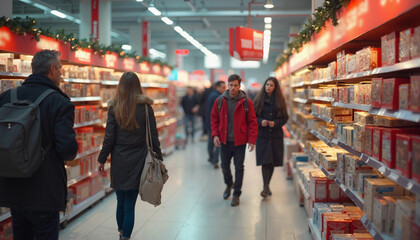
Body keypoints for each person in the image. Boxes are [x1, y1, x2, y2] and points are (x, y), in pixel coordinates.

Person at [0, 50, 78, 239]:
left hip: (12, 185)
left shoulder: (7, 97)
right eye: (60, 68)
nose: (61, 73)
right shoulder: (59, 102)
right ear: (52, 69)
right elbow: (67, 149)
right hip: (44, 188)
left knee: (20, 233)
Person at [97, 72, 163, 240]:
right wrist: (159, 157)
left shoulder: (114, 107)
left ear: (121, 86)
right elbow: (153, 135)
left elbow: (109, 137)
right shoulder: (146, 108)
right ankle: (125, 236)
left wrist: (102, 159)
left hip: (119, 158)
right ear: (137, 86)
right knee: (130, 206)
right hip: (139, 159)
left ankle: (120, 231)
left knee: (120, 201)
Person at [210, 74, 258, 207]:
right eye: (230, 85)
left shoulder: (246, 102)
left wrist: (252, 140)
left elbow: (253, 122)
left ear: (239, 85)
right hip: (224, 141)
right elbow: (214, 119)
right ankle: (229, 184)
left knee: (239, 167)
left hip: (240, 141)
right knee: (224, 165)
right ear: (227, 85)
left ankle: (236, 194)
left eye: (235, 85)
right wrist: (215, 135)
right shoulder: (220, 101)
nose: (233, 88)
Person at [253, 77, 289, 198]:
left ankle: (267, 185)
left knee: (272, 161)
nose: (268, 87)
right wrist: (260, 121)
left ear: (275, 88)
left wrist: (276, 123)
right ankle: (265, 186)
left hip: (275, 136)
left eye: (271, 85)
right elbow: (253, 117)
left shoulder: (280, 101)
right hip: (262, 136)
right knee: (265, 161)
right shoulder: (258, 100)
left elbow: (285, 118)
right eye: (267, 84)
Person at [205, 81, 226, 168]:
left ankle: (211, 157)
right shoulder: (218, 97)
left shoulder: (211, 95)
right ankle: (215, 160)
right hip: (216, 124)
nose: (224, 89)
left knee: (210, 142)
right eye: (223, 87)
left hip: (209, 123)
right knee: (218, 143)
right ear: (217, 87)